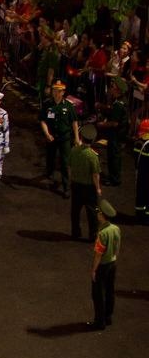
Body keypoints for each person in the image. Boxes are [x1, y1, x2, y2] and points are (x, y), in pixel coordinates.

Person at [40, 81, 77, 195]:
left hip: (64, 137)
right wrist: (47, 134)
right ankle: (49, 176)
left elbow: (74, 122)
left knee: (65, 162)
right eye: (54, 90)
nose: (55, 93)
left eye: (58, 91)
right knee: (50, 158)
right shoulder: (47, 104)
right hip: (51, 137)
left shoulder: (68, 106)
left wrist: (76, 137)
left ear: (63, 92)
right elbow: (43, 120)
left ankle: (66, 187)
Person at [89, 200, 120, 330]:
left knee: (98, 294)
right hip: (113, 263)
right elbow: (117, 248)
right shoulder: (116, 229)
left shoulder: (102, 233)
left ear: (102, 215)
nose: (97, 215)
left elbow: (98, 254)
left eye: (98, 213)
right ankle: (108, 317)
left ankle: (99, 322)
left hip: (102, 266)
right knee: (109, 291)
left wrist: (93, 270)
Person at [69, 125, 102, 242]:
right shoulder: (93, 156)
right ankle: (93, 235)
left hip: (76, 184)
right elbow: (95, 175)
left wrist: (70, 180)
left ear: (81, 137)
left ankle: (75, 232)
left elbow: (70, 167)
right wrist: (98, 188)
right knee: (92, 212)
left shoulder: (74, 150)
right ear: (93, 139)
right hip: (88, 188)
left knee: (75, 211)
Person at [136, 120, 149, 223]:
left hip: (142, 174)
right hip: (145, 175)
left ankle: (140, 216)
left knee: (141, 195)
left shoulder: (141, 144)